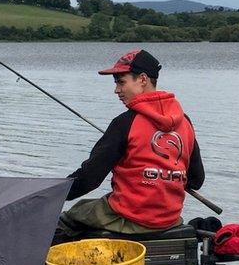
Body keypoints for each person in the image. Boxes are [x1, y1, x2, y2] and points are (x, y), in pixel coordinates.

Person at [54, 49, 204, 243]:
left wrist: (53, 195)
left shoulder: (124, 123)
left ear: (142, 79)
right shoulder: (185, 122)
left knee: (69, 218)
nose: (116, 90)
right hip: (170, 220)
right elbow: (196, 180)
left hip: (130, 218)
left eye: (121, 81)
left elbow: (89, 178)